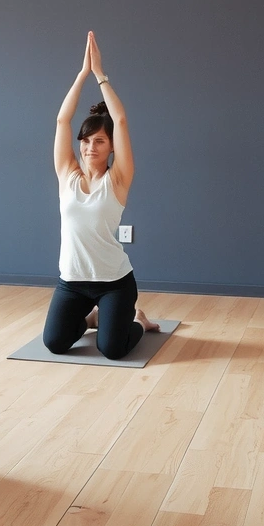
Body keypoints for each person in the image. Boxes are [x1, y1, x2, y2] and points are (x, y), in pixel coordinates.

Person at [41, 31, 161, 360]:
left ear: (111, 148)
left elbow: (119, 119)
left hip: (114, 282)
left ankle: (135, 320)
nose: (90, 147)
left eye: (100, 141)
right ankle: (95, 318)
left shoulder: (119, 179)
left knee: (112, 349)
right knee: (54, 343)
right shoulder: (66, 174)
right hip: (73, 281)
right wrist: (81, 75)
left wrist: (100, 75)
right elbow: (62, 119)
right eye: (86, 140)